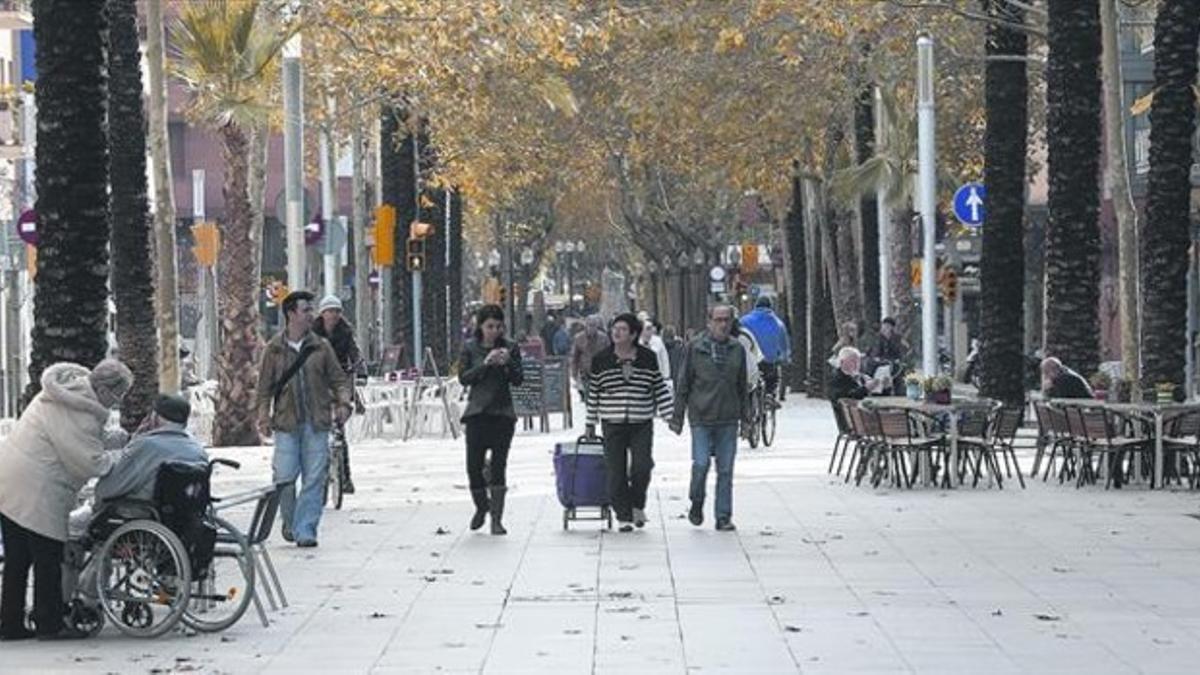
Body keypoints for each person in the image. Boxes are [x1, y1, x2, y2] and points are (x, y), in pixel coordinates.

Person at [0, 360, 133, 641]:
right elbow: (90, 462)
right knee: (47, 555)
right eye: (118, 395)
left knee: (18, 557)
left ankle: (10, 623)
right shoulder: (81, 413)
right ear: (106, 390)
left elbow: (75, 439)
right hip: (38, 486)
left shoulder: (66, 392)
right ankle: (49, 623)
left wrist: (113, 439)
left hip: (9, 477)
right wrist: (124, 456)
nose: (117, 402)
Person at [256, 290, 353, 549]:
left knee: (314, 478)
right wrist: (263, 415)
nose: (312, 314)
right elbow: (263, 387)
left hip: (316, 421)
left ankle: (306, 529)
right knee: (284, 477)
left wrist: (344, 402)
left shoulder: (321, 347)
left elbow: (338, 380)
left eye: (312, 309)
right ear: (291, 314)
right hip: (286, 423)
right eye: (306, 310)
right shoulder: (273, 350)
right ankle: (290, 521)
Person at [67, 394, 208, 539]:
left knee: (69, 524)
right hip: (181, 521)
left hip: (139, 515)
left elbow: (109, 489)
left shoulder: (146, 445)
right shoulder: (198, 450)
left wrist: (95, 499)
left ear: (154, 417)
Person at [585, 314, 673, 532]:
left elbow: (659, 387)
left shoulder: (647, 357)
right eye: (615, 329)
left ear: (634, 334)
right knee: (616, 471)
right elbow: (594, 392)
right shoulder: (601, 359)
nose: (617, 333)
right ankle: (623, 515)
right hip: (612, 422)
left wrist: (670, 415)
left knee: (642, 466)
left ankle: (637, 504)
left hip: (641, 420)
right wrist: (590, 422)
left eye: (623, 329)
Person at [670, 305, 751, 532]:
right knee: (701, 463)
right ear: (709, 322)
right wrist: (677, 416)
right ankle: (696, 501)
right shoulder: (695, 347)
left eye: (727, 320)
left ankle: (723, 516)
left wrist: (746, 419)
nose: (723, 324)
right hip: (701, 417)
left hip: (728, 417)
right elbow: (683, 383)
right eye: (718, 320)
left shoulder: (737, 349)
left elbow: (742, 386)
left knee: (725, 470)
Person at [458, 304, 524, 535]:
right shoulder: (470, 348)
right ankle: (481, 506)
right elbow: (464, 378)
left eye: (498, 326)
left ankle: (497, 519)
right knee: (473, 466)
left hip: (502, 414)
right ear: (480, 326)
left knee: (499, 466)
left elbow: (518, 379)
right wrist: (485, 364)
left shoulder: (511, 347)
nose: (494, 331)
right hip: (477, 414)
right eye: (489, 326)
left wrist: (508, 363)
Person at [312, 294, 365, 495]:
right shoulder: (313, 332)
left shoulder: (345, 332)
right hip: (318, 381)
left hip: (340, 380)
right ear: (322, 313)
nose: (333, 315)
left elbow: (355, 353)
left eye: (336, 311)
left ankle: (345, 477)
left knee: (339, 432)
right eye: (329, 311)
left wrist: (360, 371)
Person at [740, 297, 791, 401]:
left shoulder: (744, 321)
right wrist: (785, 358)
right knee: (771, 379)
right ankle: (770, 395)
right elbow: (784, 345)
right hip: (770, 360)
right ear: (770, 307)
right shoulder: (778, 323)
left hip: (750, 361)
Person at [570, 314, 610, 399]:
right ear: (586, 326)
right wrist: (574, 374)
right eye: (590, 325)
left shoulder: (603, 338)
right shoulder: (579, 338)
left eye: (594, 325)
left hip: (601, 373)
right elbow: (575, 358)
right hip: (586, 373)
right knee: (589, 397)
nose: (592, 328)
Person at [828, 347, 878, 415]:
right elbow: (846, 397)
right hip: (850, 418)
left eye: (858, 361)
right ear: (842, 362)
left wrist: (884, 386)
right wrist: (865, 388)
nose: (857, 364)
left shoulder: (863, 377)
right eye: (852, 361)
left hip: (867, 416)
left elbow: (876, 397)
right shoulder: (836, 379)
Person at [636, 311, 672, 384]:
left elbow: (664, 359)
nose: (650, 331)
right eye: (647, 328)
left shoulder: (658, 341)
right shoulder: (636, 343)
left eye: (651, 328)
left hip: (658, 378)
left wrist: (666, 376)